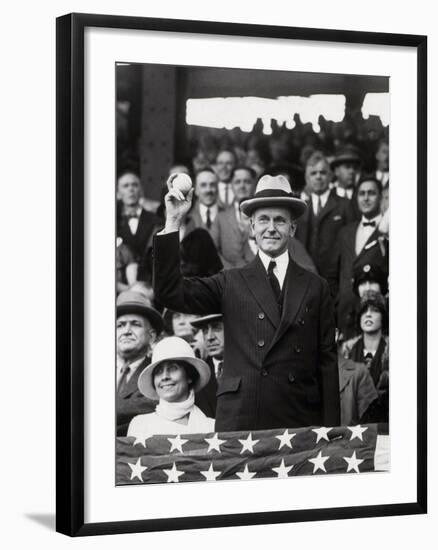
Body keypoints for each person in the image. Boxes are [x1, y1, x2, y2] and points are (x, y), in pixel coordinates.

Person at [153, 173, 340, 432]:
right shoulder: (230, 282)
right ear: (252, 226)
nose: (271, 228)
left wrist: (331, 432)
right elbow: (169, 292)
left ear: (293, 228)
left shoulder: (316, 286)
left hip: (299, 421)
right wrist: (173, 220)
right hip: (243, 421)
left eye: (280, 220)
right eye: (263, 219)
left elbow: (327, 365)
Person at [333, 177, 389, 339]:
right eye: (361, 194)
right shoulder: (345, 232)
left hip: (374, 318)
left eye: (371, 193)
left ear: (381, 197)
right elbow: (334, 274)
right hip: (344, 319)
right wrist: (338, 304)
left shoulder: (388, 233)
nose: (365, 198)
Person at [127, 336, 214, 437]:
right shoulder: (140, 426)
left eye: (172, 368)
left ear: (189, 376)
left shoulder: (211, 427)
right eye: (158, 372)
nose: (164, 377)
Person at [295, 151, 354, 296]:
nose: (318, 177)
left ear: (330, 176)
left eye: (322, 172)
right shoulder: (300, 208)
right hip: (305, 280)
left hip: (335, 282)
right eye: (313, 173)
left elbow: (351, 246)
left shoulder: (344, 205)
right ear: (307, 178)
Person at [116, 290, 164, 436]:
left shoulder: (159, 372)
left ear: (152, 336)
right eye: (120, 325)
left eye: (135, 324)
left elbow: (160, 403)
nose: (126, 331)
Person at [342, 291, 389, 423]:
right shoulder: (347, 350)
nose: (368, 314)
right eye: (364, 311)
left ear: (383, 317)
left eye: (374, 310)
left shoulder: (393, 350)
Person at [116, 171, 161, 262]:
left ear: (141, 191)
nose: (131, 189)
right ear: (118, 194)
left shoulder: (156, 220)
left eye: (135, 185)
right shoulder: (114, 222)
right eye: (125, 186)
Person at [190, 314, 225, 418]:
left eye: (217, 328)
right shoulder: (196, 372)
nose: (210, 337)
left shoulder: (249, 367)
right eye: (205, 330)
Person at [182, 168, 221, 237]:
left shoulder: (228, 214)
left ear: (217, 188)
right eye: (203, 185)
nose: (208, 190)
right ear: (196, 190)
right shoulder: (187, 217)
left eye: (212, 185)